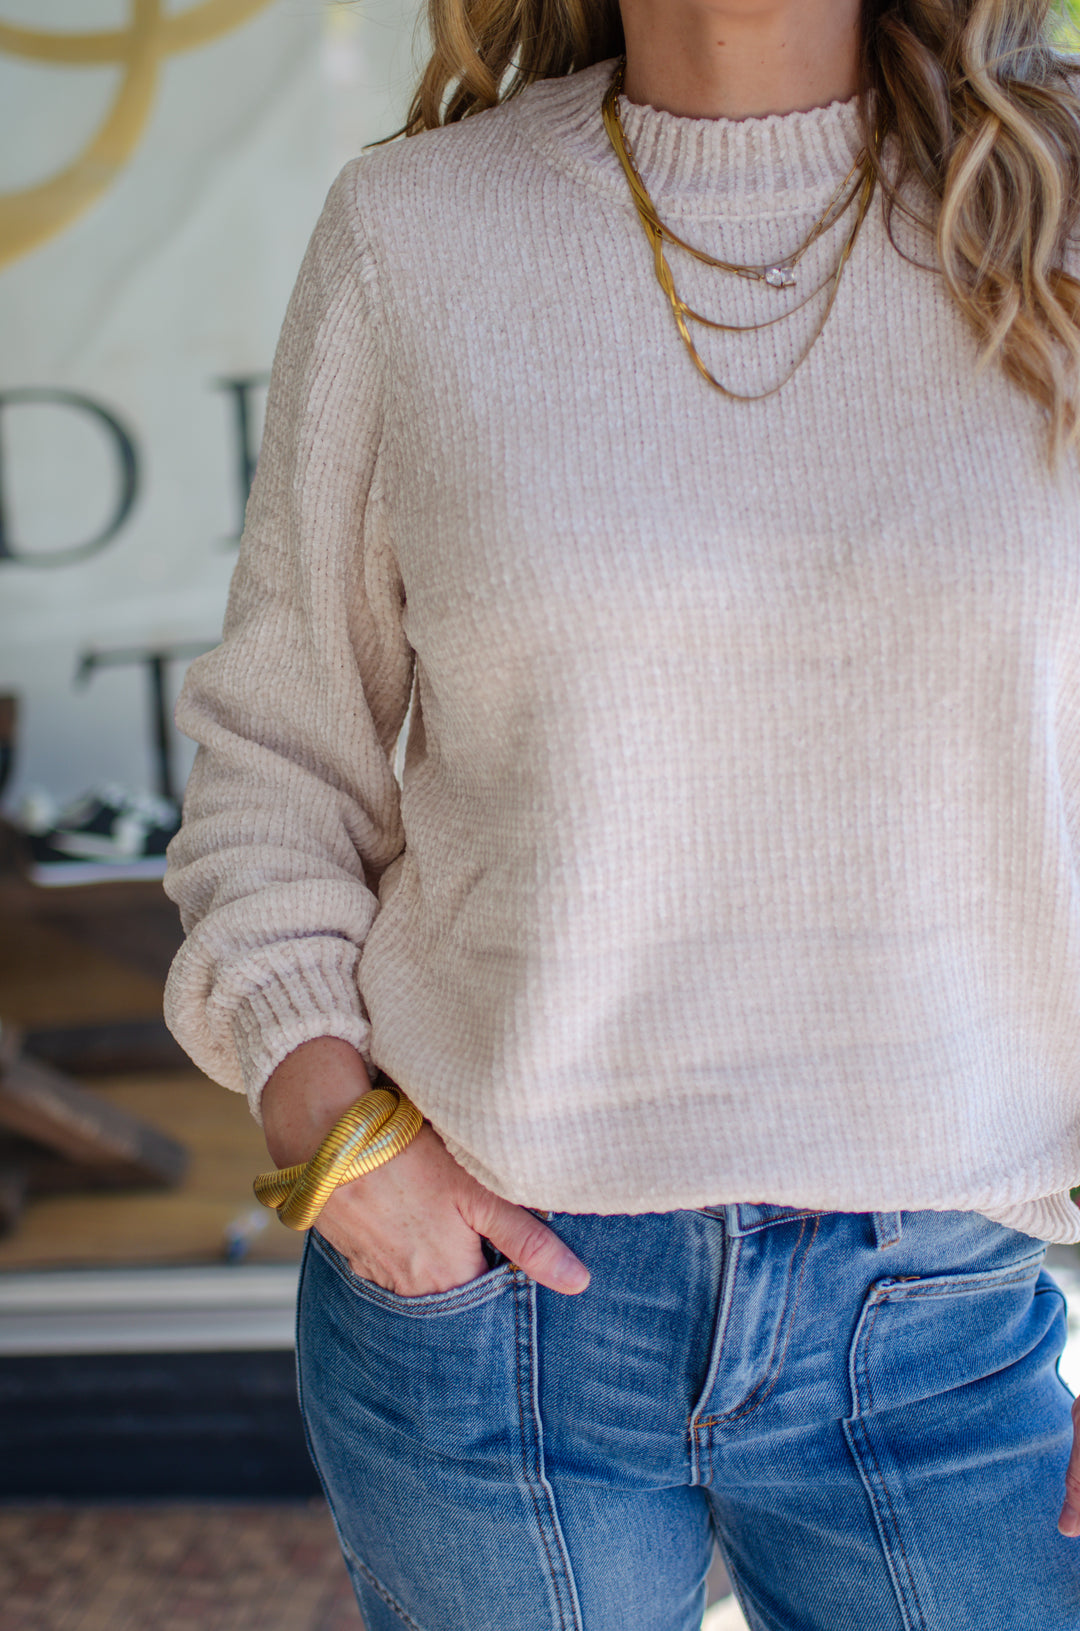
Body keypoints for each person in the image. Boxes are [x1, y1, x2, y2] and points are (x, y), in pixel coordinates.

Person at [163, 0, 1080, 1625]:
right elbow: (276, 749)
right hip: (499, 1309)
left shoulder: (1059, 200)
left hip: (948, 1311)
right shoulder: (417, 234)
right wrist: (326, 1118)